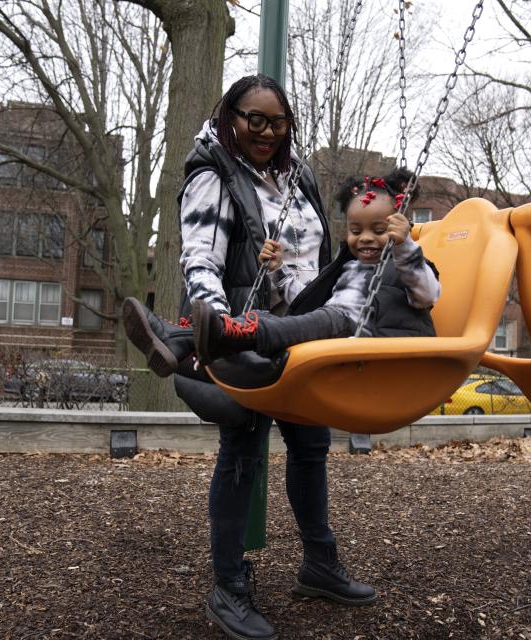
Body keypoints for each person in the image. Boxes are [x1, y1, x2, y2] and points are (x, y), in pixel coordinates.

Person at [121, 75, 375, 640]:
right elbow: (201, 258)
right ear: (229, 115)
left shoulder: (300, 174)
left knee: (311, 445)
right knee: (242, 449)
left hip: (301, 333)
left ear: (289, 126)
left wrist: (351, 270)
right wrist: (219, 327)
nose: (264, 131)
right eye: (252, 118)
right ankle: (229, 587)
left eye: (276, 121)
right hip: (249, 332)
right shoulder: (214, 172)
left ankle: (319, 565)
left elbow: (313, 258)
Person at [189, 168, 441, 365]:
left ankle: (232, 334)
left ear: (397, 228)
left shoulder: (405, 265)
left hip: (368, 343)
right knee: (279, 318)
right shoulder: (347, 269)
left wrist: (405, 246)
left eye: (379, 230)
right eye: (355, 230)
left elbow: (428, 294)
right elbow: (308, 301)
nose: (365, 237)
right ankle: (183, 339)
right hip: (333, 329)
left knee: (320, 320)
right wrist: (278, 270)